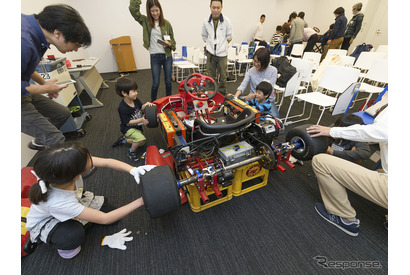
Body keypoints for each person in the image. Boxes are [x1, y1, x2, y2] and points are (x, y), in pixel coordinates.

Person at [26, 142, 156, 258]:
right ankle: (62, 246)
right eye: (88, 158)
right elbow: (106, 218)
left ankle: (80, 220)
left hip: (71, 201)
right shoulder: (59, 202)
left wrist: (132, 169)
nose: (91, 159)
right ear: (76, 175)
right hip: (48, 220)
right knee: (74, 236)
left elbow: (107, 162)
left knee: (113, 216)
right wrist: (142, 200)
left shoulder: (64, 170)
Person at [306, 107, 388, 236]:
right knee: (380, 170)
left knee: (320, 161)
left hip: (348, 161)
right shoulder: (337, 129)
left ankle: (345, 218)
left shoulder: (359, 139)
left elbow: (371, 143)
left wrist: (334, 148)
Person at [21, 5, 92, 150]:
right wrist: (44, 88)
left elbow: (24, 69)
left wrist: (44, 83)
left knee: (63, 114)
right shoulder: (23, 41)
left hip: (23, 90)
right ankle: (51, 171)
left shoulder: (38, 34)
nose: (75, 49)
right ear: (58, 33)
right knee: (56, 138)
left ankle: (42, 142)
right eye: (76, 44)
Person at [129, 0, 176, 102]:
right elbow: (133, 11)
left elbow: (173, 42)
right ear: (149, 12)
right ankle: (153, 102)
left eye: (157, 10)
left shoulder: (166, 23)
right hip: (155, 56)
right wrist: (136, 1)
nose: (155, 13)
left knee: (168, 82)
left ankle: (169, 101)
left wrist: (169, 43)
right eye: (152, 11)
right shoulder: (145, 21)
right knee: (156, 83)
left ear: (160, 10)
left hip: (167, 56)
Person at [228, 47, 279, 118]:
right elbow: (243, 85)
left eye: (259, 62)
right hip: (253, 100)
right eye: (254, 61)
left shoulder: (273, 70)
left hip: (267, 100)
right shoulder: (251, 71)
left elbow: (269, 89)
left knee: (275, 119)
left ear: (265, 62)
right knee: (242, 114)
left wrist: (254, 95)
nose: (255, 64)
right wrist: (235, 96)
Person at [112, 77, 154, 162]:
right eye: (134, 91)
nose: (136, 93)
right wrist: (141, 120)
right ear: (124, 93)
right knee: (140, 139)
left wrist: (145, 105)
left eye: (136, 90)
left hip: (136, 127)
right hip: (128, 128)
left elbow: (140, 107)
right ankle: (131, 152)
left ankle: (124, 140)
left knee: (141, 143)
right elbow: (127, 122)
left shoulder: (135, 100)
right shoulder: (122, 108)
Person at [202, 0, 233, 95]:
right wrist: (211, 46)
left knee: (223, 77)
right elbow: (204, 36)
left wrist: (221, 47)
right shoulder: (206, 21)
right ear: (210, 7)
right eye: (214, 7)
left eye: (218, 8)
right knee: (210, 77)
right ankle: (210, 95)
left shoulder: (227, 21)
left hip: (222, 55)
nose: (216, 10)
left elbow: (229, 37)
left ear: (221, 8)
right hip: (210, 54)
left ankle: (222, 95)